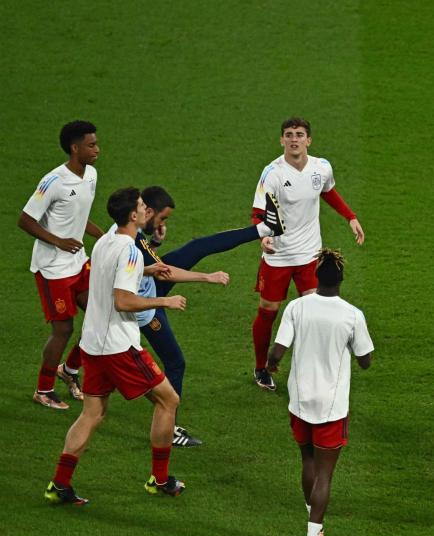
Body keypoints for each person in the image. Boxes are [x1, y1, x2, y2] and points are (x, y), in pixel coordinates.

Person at [106, 185, 285, 446]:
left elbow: (150, 266)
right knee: (175, 362)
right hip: (145, 306)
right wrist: (207, 277)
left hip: (148, 288)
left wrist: (154, 242)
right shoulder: (130, 244)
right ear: (143, 212)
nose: (157, 219)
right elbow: (165, 271)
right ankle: (170, 429)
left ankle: (264, 228)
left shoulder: (122, 234)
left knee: (197, 246)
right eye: (160, 216)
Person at [43, 188, 188, 505]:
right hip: (118, 347)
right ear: (133, 215)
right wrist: (165, 299)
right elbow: (123, 301)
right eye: (141, 206)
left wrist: (146, 270)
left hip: (93, 343)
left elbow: (110, 278)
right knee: (168, 400)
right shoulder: (131, 250)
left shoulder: (106, 240)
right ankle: (160, 479)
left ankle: (60, 484)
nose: (146, 210)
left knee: (92, 413)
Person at [266, 249, 374, 536]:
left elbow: (277, 351)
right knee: (325, 475)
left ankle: (316, 523)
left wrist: (271, 365)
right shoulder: (352, 315)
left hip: (299, 401)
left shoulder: (297, 308)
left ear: (315, 276)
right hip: (331, 406)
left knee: (308, 461)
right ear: (341, 279)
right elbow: (366, 361)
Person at [251, 117, 365, 391]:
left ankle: (308, 371)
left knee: (313, 313)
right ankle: (261, 368)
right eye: (289, 134)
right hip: (278, 256)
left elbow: (327, 191)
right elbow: (258, 213)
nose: (294, 139)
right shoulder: (272, 174)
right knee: (269, 312)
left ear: (308, 140)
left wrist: (350, 217)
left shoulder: (321, 167)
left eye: (299, 134)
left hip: (309, 256)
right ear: (281, 140)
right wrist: (264, 238)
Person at [19, 120, 104, 409]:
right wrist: (59, 241)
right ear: (74, 147)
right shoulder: (53, 181)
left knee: (101, 314)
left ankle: (68, 371)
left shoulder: (90, 175)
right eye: (91, 145)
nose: (97, 150)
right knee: (63, 330)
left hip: (79, 262)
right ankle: (43, 389)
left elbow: (79, 214)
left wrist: (102, 237)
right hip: (52, 268)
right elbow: (25, 220)